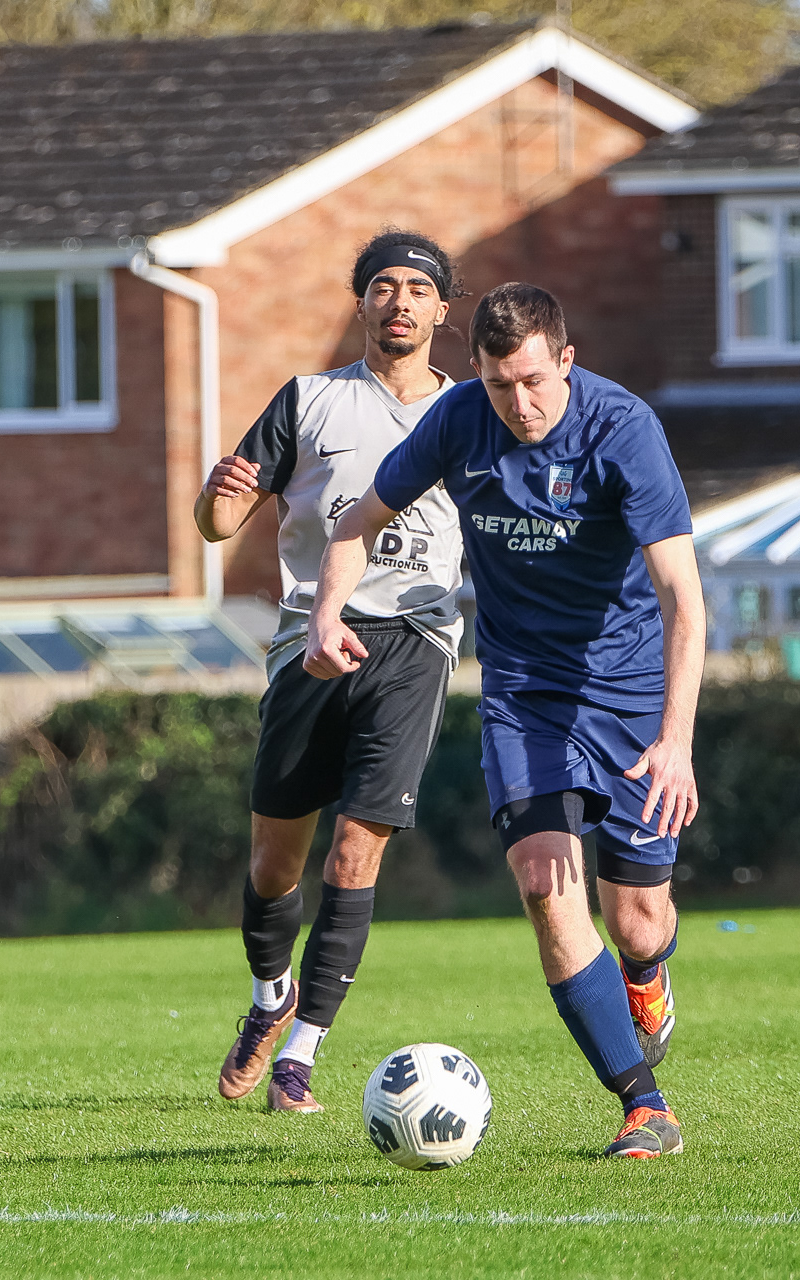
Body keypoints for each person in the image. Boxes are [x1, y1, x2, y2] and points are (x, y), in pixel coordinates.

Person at [306, 282, 704, 1159]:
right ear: (476, 372)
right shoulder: (457, 421)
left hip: (632, 692)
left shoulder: (623, 428)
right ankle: (644, 1106)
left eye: (533, 381)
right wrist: (326, 614)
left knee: (637, 921)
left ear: (567, 360)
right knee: (544, 889)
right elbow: (358, 522)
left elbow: (684, 596)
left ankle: (645, 971)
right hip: (525, 696)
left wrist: (675, 741)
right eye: (498, 384)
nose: (519, 404)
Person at [196, 230, 466, 1114]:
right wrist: (217, 494)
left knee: (357, 850)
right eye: (383, 286)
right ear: (362, 304)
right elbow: (219, 524)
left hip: (416, 641)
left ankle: (300, 1057)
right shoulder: (309, 400)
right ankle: (269, 996)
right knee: (275, 862)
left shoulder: (471, 412)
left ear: (441, 309)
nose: (400, 301)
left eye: (417, 289)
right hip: (308, 639)